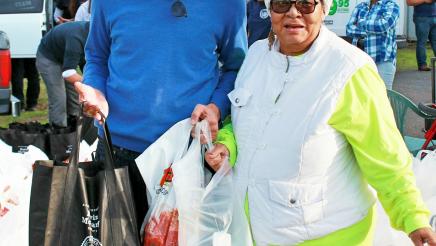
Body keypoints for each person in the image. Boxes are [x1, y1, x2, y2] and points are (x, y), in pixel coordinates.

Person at [205, 0, 436, 245]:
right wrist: (227, 143)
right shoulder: (255, 56)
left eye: (305, 4)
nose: (293, 12)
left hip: (329, 236)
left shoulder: (349, 70)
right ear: (269, 10)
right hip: (255, 232)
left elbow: (386, 156)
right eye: (282, 4)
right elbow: (243, 117)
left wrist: (413, 218)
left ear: (324, 9)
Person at [74, 0, 247, 231]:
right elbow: (96, 57)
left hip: (188, 155)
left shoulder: (228, 4)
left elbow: (236, 68)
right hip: (118, 152)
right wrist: (96, 91)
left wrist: (216, 107)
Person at [36, 21, 89, 128]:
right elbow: (68, 73)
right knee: (58, 99)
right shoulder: (76, 38)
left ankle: (75, 130)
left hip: (63, 56)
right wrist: (88, 83)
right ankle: (60, 135)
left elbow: (86, 63)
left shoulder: (92, 35)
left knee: (74, 96)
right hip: (48, 58)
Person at [346, 0, 399, 90]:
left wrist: (361, 23)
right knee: (361, 95)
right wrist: (371, 31)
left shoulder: (392, 6)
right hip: (360, 61)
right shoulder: (360, 6)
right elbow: (349, 29)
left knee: (384, 96)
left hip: (383, 60)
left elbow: (383, 26)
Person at [407, 0, 436, 71]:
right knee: (422, 42)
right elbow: (409, 2)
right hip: (421, 17)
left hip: (434, 16)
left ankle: (422, 65)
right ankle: (422, 65)